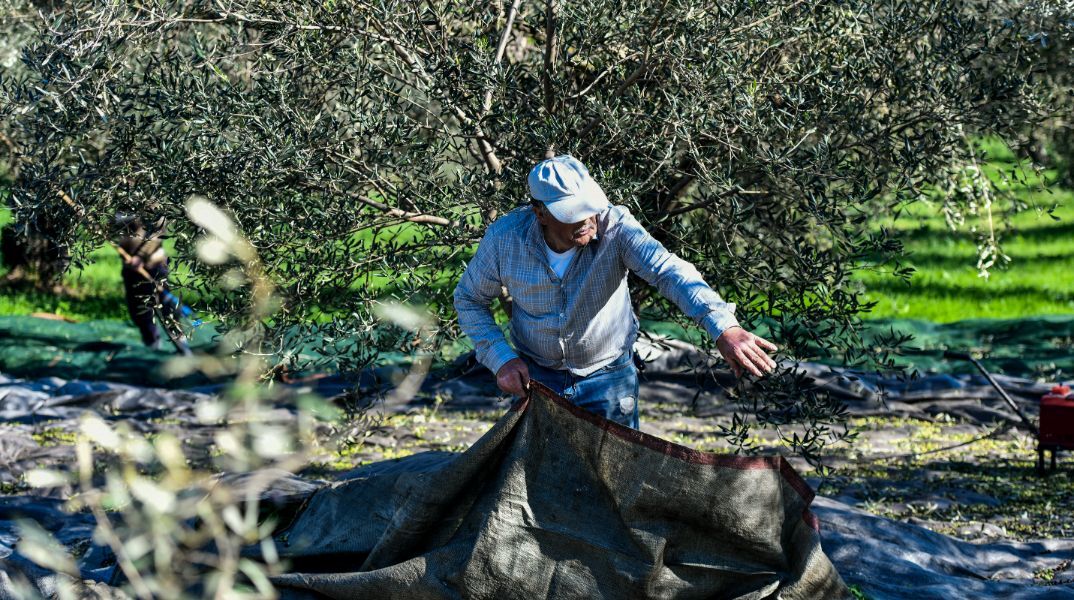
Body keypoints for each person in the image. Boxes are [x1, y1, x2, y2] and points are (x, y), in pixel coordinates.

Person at [454, 155, 778, 429]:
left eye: (588, 207)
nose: (585, 220)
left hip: (608, 379)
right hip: (537, 380)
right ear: (540, 213)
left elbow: (668, 271)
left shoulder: (617, 226)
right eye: (571, 213)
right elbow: (469, 299)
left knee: (613, 486)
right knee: (543, 483)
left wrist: (722, 325)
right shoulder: (505, 240)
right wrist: (502, 359)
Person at [114, 214, 189, 354]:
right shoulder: (117, 199)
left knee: (167, 310)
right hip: (131, 269)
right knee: (140, 312)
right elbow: (115, 229)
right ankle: (153, 348)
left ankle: (183, 349)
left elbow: (158, 232)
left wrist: (140, 256)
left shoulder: (150, 200)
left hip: (154, 265)